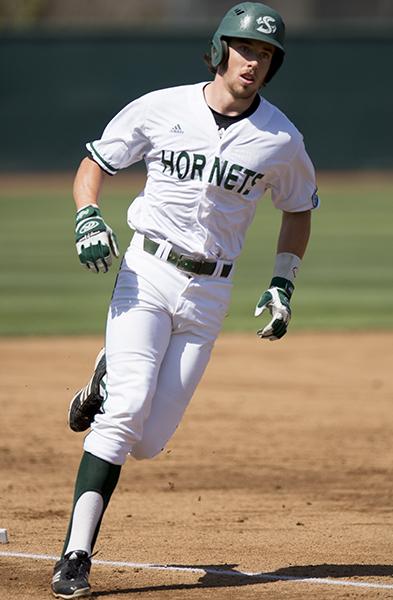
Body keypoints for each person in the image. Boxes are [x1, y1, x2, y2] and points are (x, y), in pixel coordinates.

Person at [51, 2, 319, 597]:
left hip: (211, 294)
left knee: (147, 443)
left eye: (267, 54)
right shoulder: (161, 107)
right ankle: (75, 555)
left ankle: (104, 376)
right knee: (124, 418)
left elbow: (298, 207)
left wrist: (283, 281)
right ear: (221, 48)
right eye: (246, 48)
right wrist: (87, 215)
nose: (255, 62)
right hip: (144, 275)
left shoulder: (280, 137)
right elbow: (94, 164)